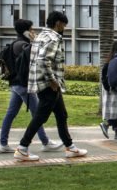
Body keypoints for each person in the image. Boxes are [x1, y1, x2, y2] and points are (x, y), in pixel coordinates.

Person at [14, 11, 87, 161]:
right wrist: (52, 80)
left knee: (61, 114)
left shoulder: (41, 36)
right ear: (58, 23)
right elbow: (43, 60)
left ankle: (70, 147)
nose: (64, 28)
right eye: (64, 25)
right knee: (41, 116)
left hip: (42, 82)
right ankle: (22, 147)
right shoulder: (54, 38)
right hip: (49, 84)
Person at [0, 19, 62, 153]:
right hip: (23, 85)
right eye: (31, 29)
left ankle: (3, 143)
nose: (34, 31)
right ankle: (45, 142)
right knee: (38, 114)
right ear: (26, 31)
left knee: (11, 113)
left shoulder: (17, 43)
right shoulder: (22, 45)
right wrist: (35, 42)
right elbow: (35, 60)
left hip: (16, 85)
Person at [99, 41, 117, 140]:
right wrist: (109, 87)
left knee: (115, 111)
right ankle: (107, 125)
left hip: (109, 88)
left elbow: (103, 74)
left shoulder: (110, 60)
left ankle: (116, 130)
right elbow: (104, 74)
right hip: (112, 88)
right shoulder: (116, 60)